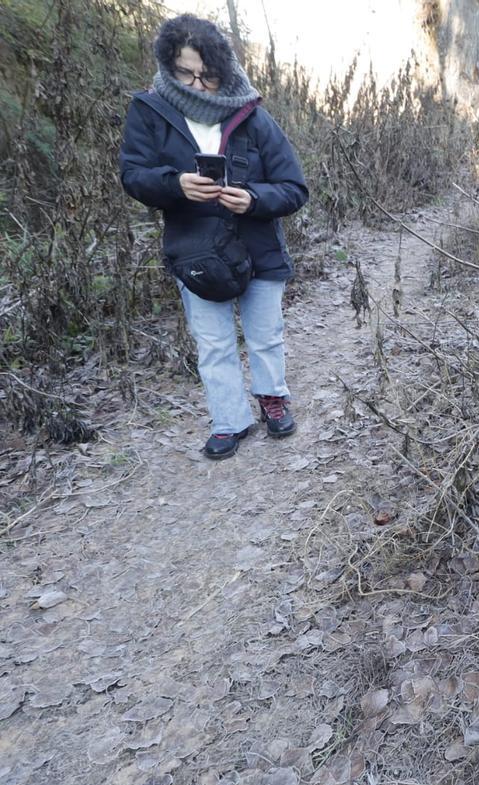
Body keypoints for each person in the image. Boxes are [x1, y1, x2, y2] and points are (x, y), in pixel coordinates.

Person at [119, 14, 308, 460]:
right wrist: (175, 184)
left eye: (208, 75)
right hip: (195, 251)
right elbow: (133, 175)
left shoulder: (252, 114)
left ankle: (273, 398)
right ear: (168, 66)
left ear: (224, 69)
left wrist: (254, 199)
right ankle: (229, 420)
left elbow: (294, 187)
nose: (198, 85)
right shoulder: (149, 110)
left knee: (265, 335)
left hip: (259, 247)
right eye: (185, 73)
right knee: (214, 343)